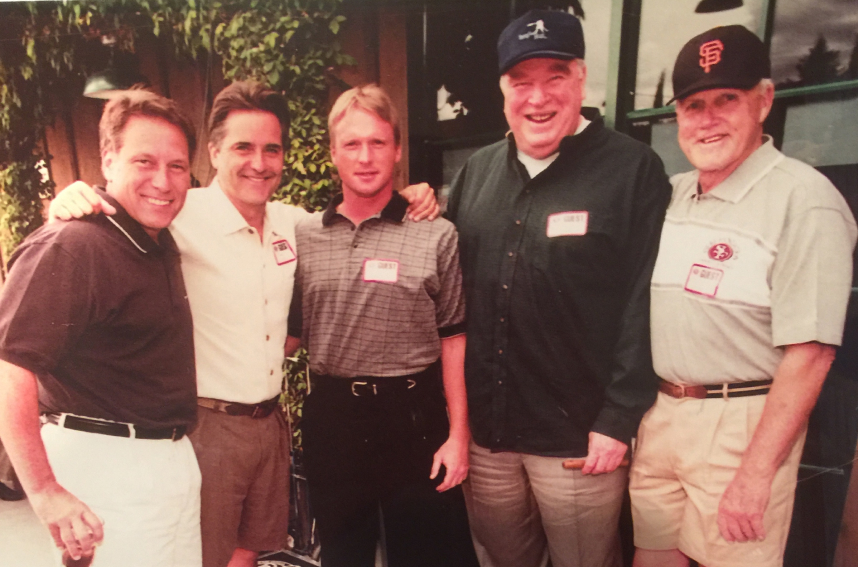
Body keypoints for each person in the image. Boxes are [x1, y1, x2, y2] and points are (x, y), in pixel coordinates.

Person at [50, 81, 438, 567]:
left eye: (271, 149)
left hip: (269, 423)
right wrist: (74, 197)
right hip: (207, 425)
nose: (259, 162)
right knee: (203, 556)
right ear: (214, 152)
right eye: (242, 148)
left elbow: (356, 217)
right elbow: (115, 213)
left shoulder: (294, 223)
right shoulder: (178, 212)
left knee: (248, 552)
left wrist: (411, 196)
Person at [446, 9, 672, 567]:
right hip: (489, 441)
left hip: (579, 443)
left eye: (555, 77)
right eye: (521, 81)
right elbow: (449, 294)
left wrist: (618, 419)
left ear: (581, 79)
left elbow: (645, 302)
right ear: (503, 90)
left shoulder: (633, 170)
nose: (538, 98)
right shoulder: (476, 173)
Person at [629, 25, 858, 567]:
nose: (708, 119)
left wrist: (755, 474)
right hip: (662, 414)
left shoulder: (805, 200)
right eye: (693, 105)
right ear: (677, 117)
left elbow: (811, 354)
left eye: (726, 99)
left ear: (764, 101)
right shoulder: (673, 194)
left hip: (741, 425)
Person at [0, 89, 201, 566]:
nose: (163, 180)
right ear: (108, 160)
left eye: (177, 166)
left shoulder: (157, 243)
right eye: (144, 161)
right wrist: (44, 491)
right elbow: (9, 368)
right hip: (105, 471)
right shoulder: (74, 246)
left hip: (169, 462)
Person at [285, 84, 478, 567]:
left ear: (397, 149)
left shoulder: (436, 234)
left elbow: (454, 340)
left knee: (425, 558)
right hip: (334, 419)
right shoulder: (304, 235)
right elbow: (289, 333)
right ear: (333, 152)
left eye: (377, 142)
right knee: (343, 557)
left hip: (414, 418)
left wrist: (458, 435)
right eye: (351, 144)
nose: (365, 157)